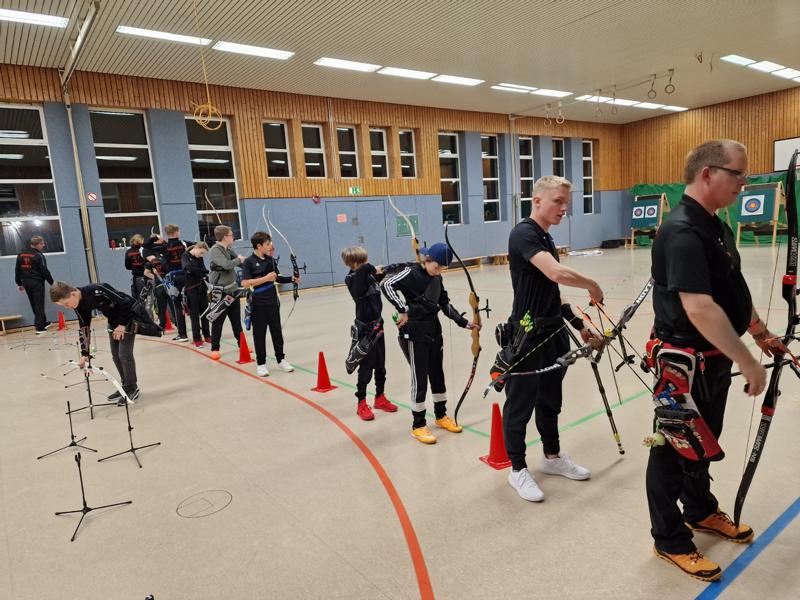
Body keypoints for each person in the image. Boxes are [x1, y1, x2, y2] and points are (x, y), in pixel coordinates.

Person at [646, 140, 784, 581]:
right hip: (683, 365)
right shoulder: (681, 231)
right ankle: (669, 539)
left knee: (704, 442)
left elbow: (730, 290)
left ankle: (700, 510)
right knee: (673, 449)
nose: (744, 183)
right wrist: (749, 361)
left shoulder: (715, 225)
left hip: (714, 360)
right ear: (707, 173)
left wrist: (760, 333)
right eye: (737, 174)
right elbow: (700, 308)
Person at [502, 176, 604, 503]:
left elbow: (553, 291)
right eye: (558, 201)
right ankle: (517, 469)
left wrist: (579, 324)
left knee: (550, 400)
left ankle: (552, 457)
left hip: (553, 333)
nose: (564, 208)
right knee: (519, 405)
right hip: (527, 336)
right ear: (537, 201)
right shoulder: (524, 233)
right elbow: (556, 273)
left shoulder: (545, 237)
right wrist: (592, 284)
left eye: (566, 203)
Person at [381, 242, 479, 443]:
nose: (439, 271)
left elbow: (443, 303)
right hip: (415, 332)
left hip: (434, 330)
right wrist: (402, 309)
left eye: (443, 268)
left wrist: (463, 322)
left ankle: (441, 415)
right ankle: (418, 425)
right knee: (420, 377)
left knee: (437, 374)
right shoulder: (410, 273)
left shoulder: (437, 277)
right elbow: (386, 284)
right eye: (437, 266)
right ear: (428, 260)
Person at [50, 281, 144, 404]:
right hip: (113, 321)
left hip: (128, 316)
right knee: (116, 356)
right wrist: (85, 354)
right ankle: (125, 387)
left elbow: (125, 302)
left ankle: (132, 388)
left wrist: (122, 324)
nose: (66, 307)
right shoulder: (78, 305)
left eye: (66, 303)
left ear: (73, 294)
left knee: (124, 354)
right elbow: (84, 327)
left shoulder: (97, 289)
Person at [342, 246, 397, 420]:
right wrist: (370, 268)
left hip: (378, 325)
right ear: (355, 264)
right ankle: (361, 403)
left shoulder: (367, 274)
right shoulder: (352, 279)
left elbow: (380, 275)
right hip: (365, 330)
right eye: (364, 262)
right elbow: (361, 280)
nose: (367, 264)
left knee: (380, 365)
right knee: (365, 369)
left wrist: (386, 270)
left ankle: (380, 398)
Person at [240, 231, 298, 376]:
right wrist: (265, 278)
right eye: (267, 244)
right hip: (258, 303)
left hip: (272, 301)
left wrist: (291, 279)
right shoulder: (249, 262)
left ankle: (281, 359)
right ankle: (261, 364)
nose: (270, 246)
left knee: (277, 331)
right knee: (259, 334)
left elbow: (277, 277)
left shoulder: (270, 260)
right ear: (259, 246)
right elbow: (245, 283)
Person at [207, 225, 246, 360]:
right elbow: (226, 264)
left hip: (233, 290)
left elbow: (240, 263)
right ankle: (215, 348)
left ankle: (242, 345)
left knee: (236, 321)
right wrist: (238, 259)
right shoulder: (215, 250)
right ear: (225, 237)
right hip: (220, 292)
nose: (233, 237)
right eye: (231, 235)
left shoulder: (228, 249)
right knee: (218, 321)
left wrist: (251, 261)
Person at [161, 224, 194, 342]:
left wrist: (157, 238)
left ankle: (183, 334)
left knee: (177, 305)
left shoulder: (163, 246)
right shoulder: (184, 243)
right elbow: (198, 245)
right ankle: (197, 333)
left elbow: (146, 246)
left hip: (173, 279)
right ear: (176, 232)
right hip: (185, 276)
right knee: (192, 303)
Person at [14, 235, 54, 333]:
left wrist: (19, 283)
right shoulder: (39, 255)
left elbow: (17, 270)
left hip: (26, 283)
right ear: (38, 244)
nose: (43, 245)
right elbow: (45, 271)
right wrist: (52, 283)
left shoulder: (20, 254)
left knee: (34, 303)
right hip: (37, 283)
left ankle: (42, 322)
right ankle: (39, 328)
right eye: (42, 244)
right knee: (39, 304)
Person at [182, 241, 212, 347]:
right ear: (197, 248)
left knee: (205, 313)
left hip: (202, 288)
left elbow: (203, 270)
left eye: (203, 254)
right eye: (201, 252)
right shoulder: (185, 255)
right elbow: (188, 269)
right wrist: (202, 271)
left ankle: (207, 335)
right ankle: (197, 338)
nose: (202, 255)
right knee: (194, 315)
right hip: (191, 290)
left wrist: (205, 274)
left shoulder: (199, 258)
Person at [142, 233, 170, 330]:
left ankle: (174, 323)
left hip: (167, 282)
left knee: (172, 305)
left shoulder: (162, 251)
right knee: (157, 304)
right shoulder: (148, 252)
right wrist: (156, 278)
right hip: (157, 283)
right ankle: (160, 325)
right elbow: (147, 272)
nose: (162, 240)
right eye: (159, 239)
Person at [124, 234, 147, 299]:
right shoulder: (144, 250)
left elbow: (127, 266)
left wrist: (135, 267)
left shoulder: (128, 252)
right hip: (144, 277)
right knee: (145, 298)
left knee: (136, 298)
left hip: (135, 278)